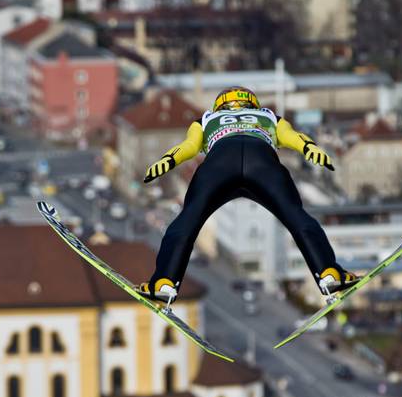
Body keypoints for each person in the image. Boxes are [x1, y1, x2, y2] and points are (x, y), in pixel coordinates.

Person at [138, 86, 356, 306]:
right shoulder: (269, 116)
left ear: (220, 105)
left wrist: (168, 161)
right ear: (252, 103)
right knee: (296, 217)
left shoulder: (206, 119)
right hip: (261, 161)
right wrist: (309, 148)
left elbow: (189, 146)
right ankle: (328, 274)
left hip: (220, 163)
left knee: (188, 220)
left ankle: (165, 282)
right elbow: (293, 137)